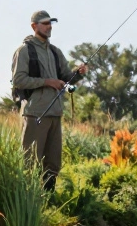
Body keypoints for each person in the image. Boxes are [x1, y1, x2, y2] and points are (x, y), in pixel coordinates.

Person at [10, 10, 87, 190]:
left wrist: (78, 73)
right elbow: (19, 80)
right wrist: (47, 82)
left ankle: (49, 200)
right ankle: (28, 200)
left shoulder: (55, 52)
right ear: (34, 26)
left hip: (55, 112)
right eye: (45, 23)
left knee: (53, 163)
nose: (49, 26)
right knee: (30, 161)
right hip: (35, 112)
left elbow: (67, 78)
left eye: (50, 23)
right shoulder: (24, 51)